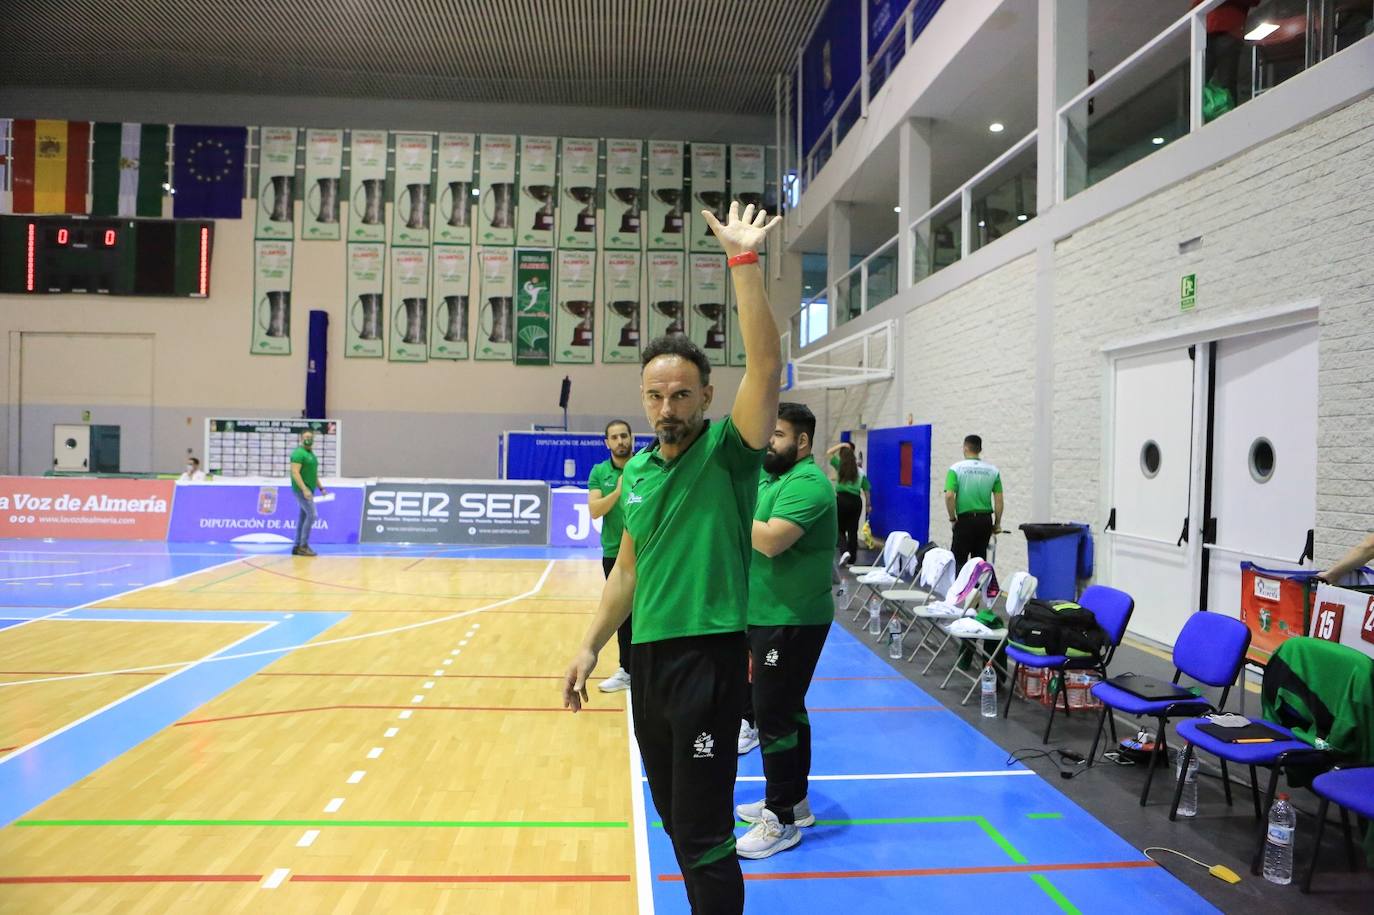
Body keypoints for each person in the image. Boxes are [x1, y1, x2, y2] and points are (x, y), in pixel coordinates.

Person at [563, 200, 781, 914]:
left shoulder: (728, 453)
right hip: (649, 663)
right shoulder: (637, 473)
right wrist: (589, 644)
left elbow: (766, 365)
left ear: (706, 396)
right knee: (674, 822)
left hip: (708, 659)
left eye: (681, 394)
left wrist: (742, 262)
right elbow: (627, 570)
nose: (667, 407)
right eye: (656, 395)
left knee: (704, 829)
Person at [734, 402, 837, 859]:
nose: (768, 442)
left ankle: (781, 821)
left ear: (802, 441)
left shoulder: (809, 484)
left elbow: (772, 540)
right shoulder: (772, 477)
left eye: (777, 435)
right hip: (765, 614)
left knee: (773, 713)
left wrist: (729, 514)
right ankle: (794, 801)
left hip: (793, 619)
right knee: (787, 709)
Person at [588, 419, 635, 693]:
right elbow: (594, 510)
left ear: (632, 438)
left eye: (624, 436)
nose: (620, 441)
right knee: (621, 614)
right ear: (607, 443)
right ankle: (626, 670)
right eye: (615, 437)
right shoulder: (599, 472)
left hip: (645, 550)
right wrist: (618, 491)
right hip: (614, 553)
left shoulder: (644, 465)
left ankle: (648, 670)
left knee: (648, 611)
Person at [1191, 0, 1259, 118]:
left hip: (1228, 32)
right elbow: (1195, 5)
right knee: (1199, 82)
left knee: (1225, 82)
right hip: (1208, 32)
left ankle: (1228, 118)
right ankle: (1202, 119)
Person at [945, 434, 1002, 569]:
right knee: (978, 563)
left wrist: (952, 518)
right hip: (985, 521)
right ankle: (976, 583)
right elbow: (999, 500)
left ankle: (959, 583)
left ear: (965, 448)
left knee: (958, 562)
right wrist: (997, 524)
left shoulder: (956, 469)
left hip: (965, 521)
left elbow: (949, 496)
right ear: (980, 449)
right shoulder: (993, 471)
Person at [826, 442, 869, 564]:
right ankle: (852, 559)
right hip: (856, 502)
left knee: (839, 528)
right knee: (853, 530)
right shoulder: (860, 471)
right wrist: (868, 505)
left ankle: (844, 551)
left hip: (841, 500)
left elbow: (829, 453)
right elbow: (866, 490)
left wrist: (842, 445)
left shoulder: (840, 466)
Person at [289, 430, 326, 557]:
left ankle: (297, 546)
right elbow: (295, 473)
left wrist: (321, 488)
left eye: (310, 437)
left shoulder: (311, 454)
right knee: (312, 515)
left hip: (310, 490)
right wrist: (304, 489)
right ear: (301, 438)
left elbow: (313, 474)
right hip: (302, 490)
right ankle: (303, 546)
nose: (308, 439)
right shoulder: (298, 453)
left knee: (303, 518)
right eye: (306, 437)